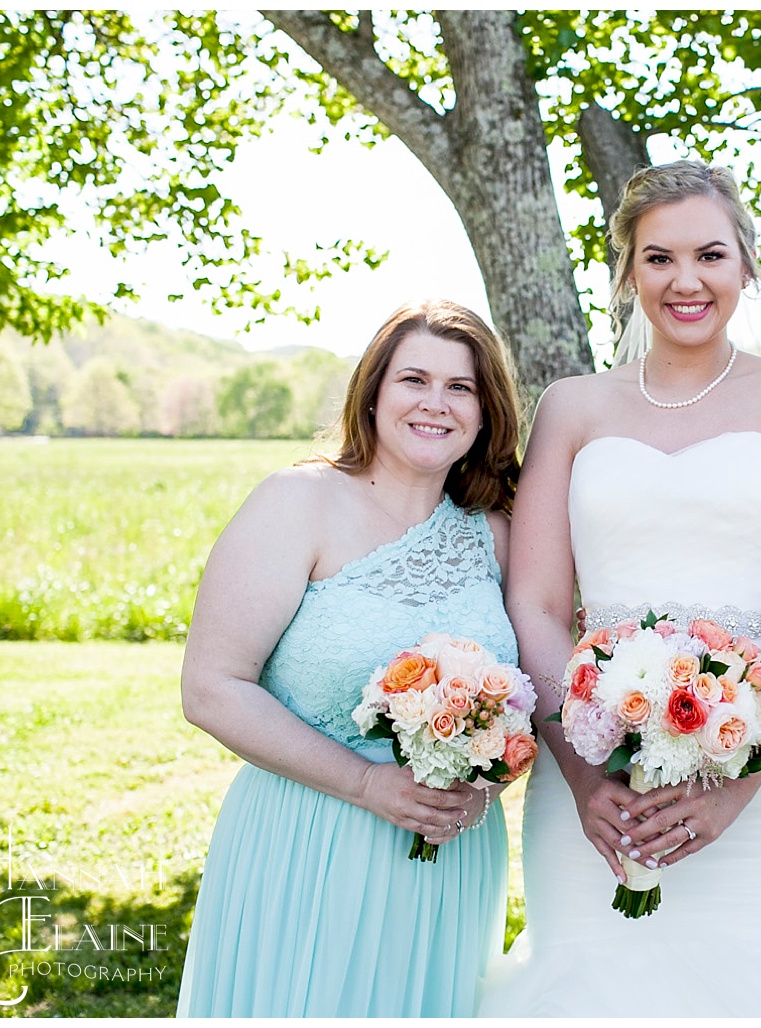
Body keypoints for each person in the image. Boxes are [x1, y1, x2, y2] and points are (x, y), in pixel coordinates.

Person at [479, 160, 761, 1017]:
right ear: (625, 273)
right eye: (657, 259)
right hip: (594, 773)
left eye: (710, 256)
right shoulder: (572, 407)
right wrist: (586, 778)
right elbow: (536, 604)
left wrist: (743, 773)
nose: (685, 281)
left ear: (746, 266)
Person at [175, 301, 523, 1017]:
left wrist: (486, 785)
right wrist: (367, 784)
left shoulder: (499, 534)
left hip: (450, 857)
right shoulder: (296, 502)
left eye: (461, 388)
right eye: (414, 380)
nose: (436, 403)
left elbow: (532, 702)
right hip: (308, 841)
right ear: (372, 395)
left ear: (487, 413)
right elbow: (212, 687)